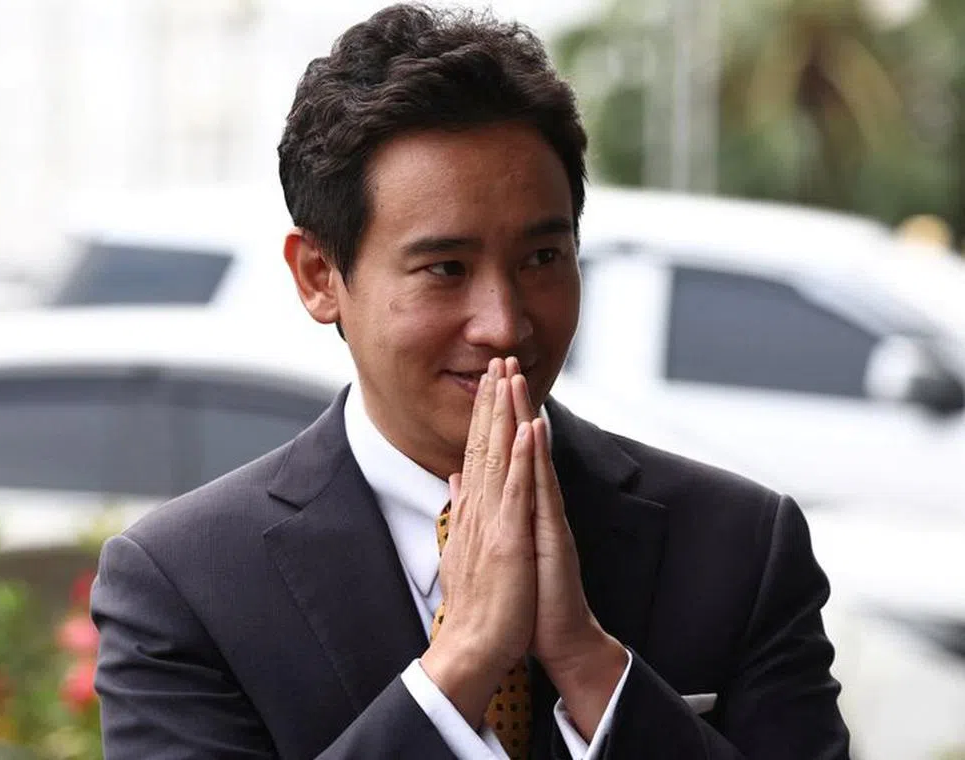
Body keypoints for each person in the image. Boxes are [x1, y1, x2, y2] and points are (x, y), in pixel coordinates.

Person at [91, 4, 851, 758]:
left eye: (542, 260)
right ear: (320, 276)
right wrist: (460, 664)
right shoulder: (186, 584)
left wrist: (591, 667)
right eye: (446, 269)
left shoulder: (739, 545)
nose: (503, 323)